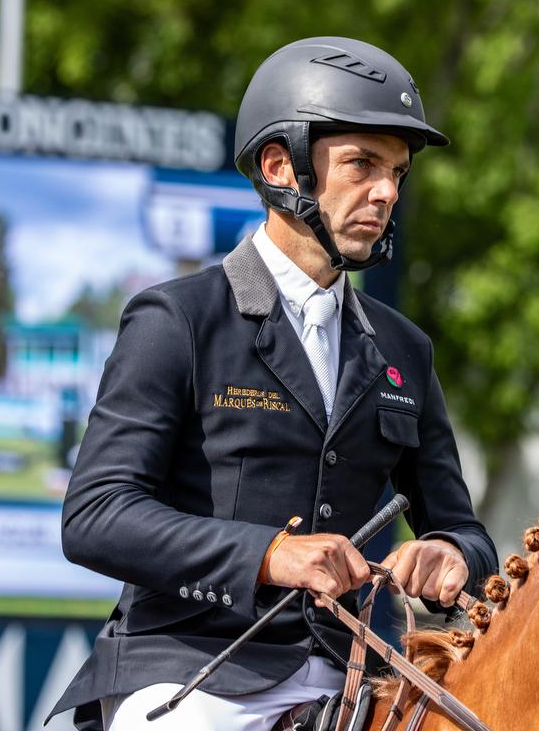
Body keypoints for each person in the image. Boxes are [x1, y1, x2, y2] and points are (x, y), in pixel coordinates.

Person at [47, 36, 497, 731]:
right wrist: (268, 555)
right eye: (362, 164)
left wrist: (450, 556)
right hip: (193, 674)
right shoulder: (178, 318)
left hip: (355, 679)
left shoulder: (406, 349)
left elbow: (463, 530)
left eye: (398, 173)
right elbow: (96, 515)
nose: (387, 192)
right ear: (280, 165)